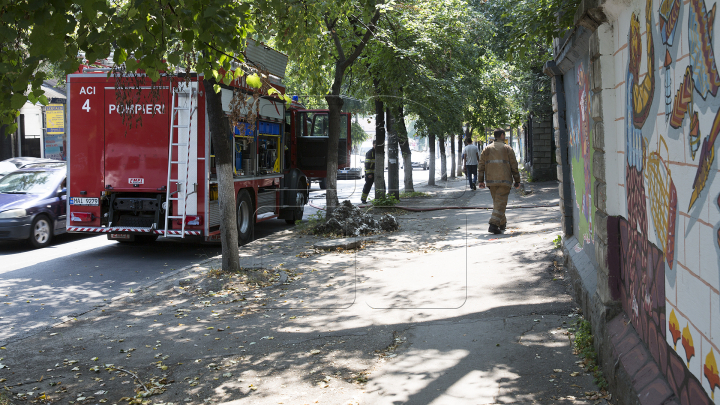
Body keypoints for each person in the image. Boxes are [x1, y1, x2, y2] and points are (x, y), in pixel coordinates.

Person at [477, 129, 521, 234]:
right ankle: (493, 224)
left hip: (491, 181)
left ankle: (502, 223)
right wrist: (517, 180)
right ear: (502, 135)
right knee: (500, 202)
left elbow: (481, 166)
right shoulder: (507, 148)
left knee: (498, 202)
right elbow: (514, 166)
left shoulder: (486, 149)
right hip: (504, 180)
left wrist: (480, 181)